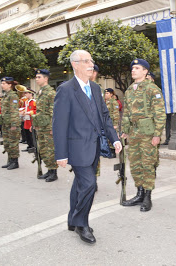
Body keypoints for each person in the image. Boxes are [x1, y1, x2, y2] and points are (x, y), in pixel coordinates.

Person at [53, 50, 121, 244]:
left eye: (91, 60)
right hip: (76, 148)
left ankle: (71, 220)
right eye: (86, 61)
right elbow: (59, 124)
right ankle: (81, 223)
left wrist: (114, 138)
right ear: (75, 65)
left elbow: (104, 116)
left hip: (94, 147)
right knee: (90, 184)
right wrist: (61, 153)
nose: (91, 64)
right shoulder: (66, 89)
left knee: (80, 184)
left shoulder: (95, 87)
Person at [121, 59, 166, 212]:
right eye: (132, 67)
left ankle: (147, 196)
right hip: (134, 133)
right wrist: (125, 129)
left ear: (145, 71)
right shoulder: (129, 90)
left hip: (147, 133)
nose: (133, 70)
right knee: (135, 164)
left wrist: (157, 134)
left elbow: (160, 114)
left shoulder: (152, 89)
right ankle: (139, 193)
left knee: (147, 164)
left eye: (137, 68)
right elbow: (126, 113)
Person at [33, 69, 58, 182]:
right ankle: (49, 169)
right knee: (42, 149)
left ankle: (54, 172)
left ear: (46, 78)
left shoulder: (50, 93)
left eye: (39, 77)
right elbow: (39, 111)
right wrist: (36, 124)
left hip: (48, 126)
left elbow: (54, 111)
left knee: (50, 149)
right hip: (41, 125)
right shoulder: (40, 92)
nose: (36, 79)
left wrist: (54, 127)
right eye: (36, 77)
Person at [0, 77, 21, 170]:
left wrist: (14, 124)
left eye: (4, 83)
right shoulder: (6, 95)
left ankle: (15, 161)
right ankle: (10, 160)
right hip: (5, 123)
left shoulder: (12, 96)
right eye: (1, 83)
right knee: (7, 143)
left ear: (10, 85)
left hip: (11, 124)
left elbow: (14, 111)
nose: (2, 85)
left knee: (13, 143)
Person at [104, 88, 120, 157]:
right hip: (106, 122)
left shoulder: (114, 102)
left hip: (112, 122)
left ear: (111, 94)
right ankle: (108, 151)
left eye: (107, 93)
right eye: (105, 93)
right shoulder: (105, 102)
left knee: (112, 137)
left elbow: (116, 113)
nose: (105, 95)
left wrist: (115, 124)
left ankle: (113, 151)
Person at [20, 87, 36, 152]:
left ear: (30, 94)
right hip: (26, 119)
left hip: (31, 119)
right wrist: (23, 112)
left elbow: (36, 110)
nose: (25, 94)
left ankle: (33, 146)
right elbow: (25, 108)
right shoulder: (26, 101)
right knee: (26, 133)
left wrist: (28, 112)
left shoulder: (34, 102)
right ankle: (29, 145)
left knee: (31, 134)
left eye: (26, 93)